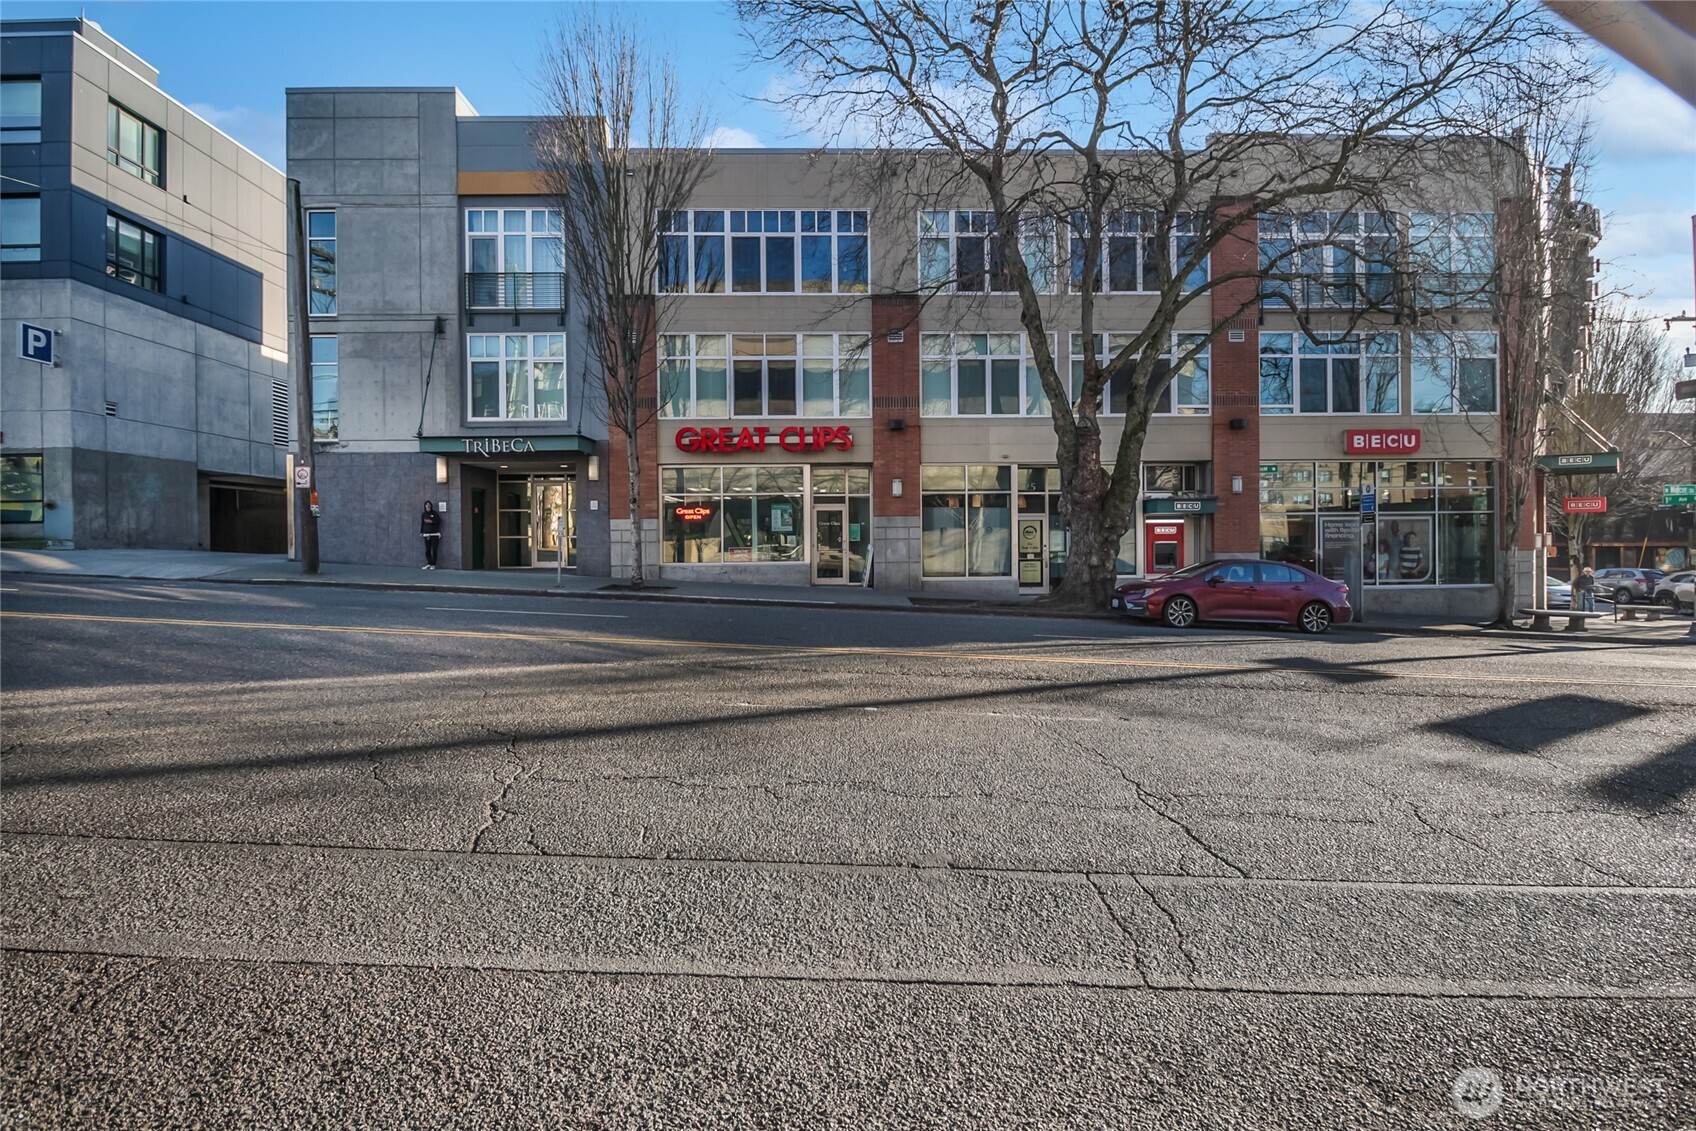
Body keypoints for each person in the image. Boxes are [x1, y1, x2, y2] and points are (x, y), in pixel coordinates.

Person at [420, 499, 442, 569]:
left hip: (434, 534)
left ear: (431, 506)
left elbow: (438, 522)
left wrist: (431, 521)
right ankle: (429, 563)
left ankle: (433, 564)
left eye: (429, 506)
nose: (428, 507)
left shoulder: (435, 514)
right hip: (426, 534)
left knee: (434, 549)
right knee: (427, 550)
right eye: (426, 506)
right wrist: (421, 532)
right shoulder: (423, 514)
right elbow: (422, 524)